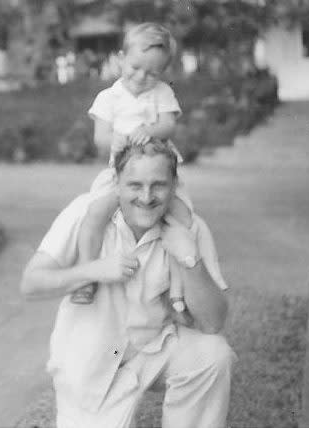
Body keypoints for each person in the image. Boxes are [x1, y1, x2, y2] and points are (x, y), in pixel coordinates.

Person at [20, 140, 236, 428]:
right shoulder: (84, 214)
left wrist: (189, 257)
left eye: (158, 185)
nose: (146, 197)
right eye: (135, 185)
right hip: (93, 363)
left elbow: (213, 323)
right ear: (115, 183)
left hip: (154, 349)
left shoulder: (189, 227)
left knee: (212, 355)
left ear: (174, 185)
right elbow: (31, 284)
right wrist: (94, 270)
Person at [72, 23, 194, 309]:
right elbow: (100, 138)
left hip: (158, 172)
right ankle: (86, 276)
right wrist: (117, 139)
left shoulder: (161, 92)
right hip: (122, 174)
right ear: (121, 58)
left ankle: (178, 288)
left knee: (184, 219)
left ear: (162, 73)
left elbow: (169, 124)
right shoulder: (108, 98)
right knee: (93, 214)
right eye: (135, 67)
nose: (142, 77)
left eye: (153, 72)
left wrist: (150, 129)